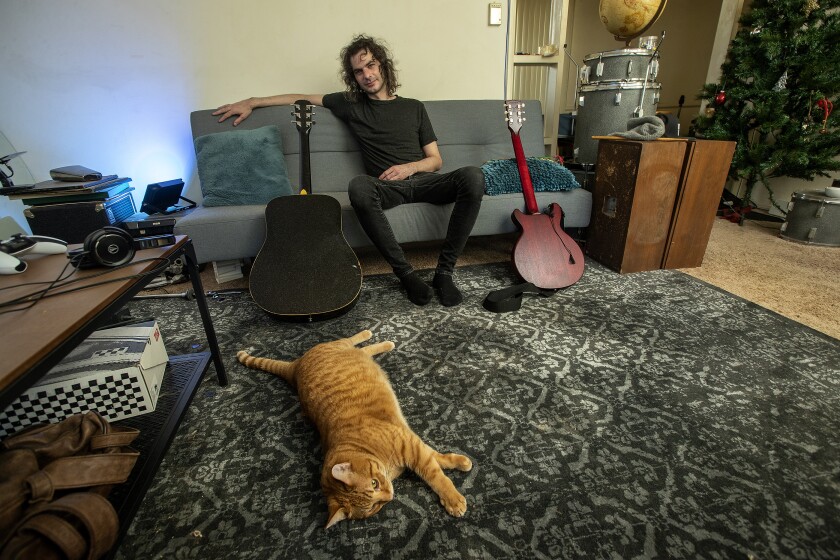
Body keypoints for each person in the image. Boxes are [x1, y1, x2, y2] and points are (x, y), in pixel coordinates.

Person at [213, 34, 485, 307]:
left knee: (473, 176)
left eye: (371, 65)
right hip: (387, 187)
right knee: (359, 186)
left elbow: (435, 160)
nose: (367, 75)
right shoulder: (350, 103)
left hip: (425, 181)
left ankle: (444, 273)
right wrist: (252, 101)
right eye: (358, 71)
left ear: (383, 65)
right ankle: (406, 275)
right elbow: (300, 97)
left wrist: (408, 168)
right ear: (353, 77)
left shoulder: (414, 107)